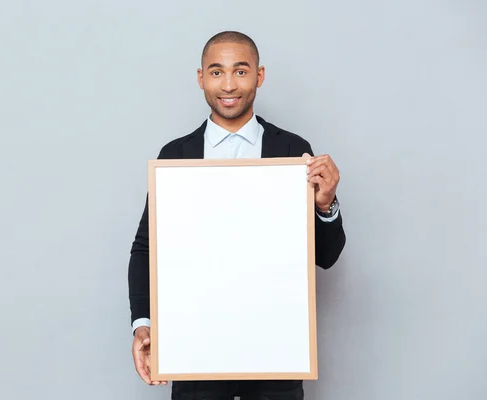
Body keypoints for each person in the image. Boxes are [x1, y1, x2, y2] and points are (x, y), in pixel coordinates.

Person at [127, 30, 346, 400]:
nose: (228, 84)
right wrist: (143, 324)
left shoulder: (293, 150)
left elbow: (324, 257)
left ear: (259, 76)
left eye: (241, 71)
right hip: (196, 360)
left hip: (276, 360)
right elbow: (146, 249)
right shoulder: (175, 156)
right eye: (216, 72)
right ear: (201, 79)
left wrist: (327, 205)